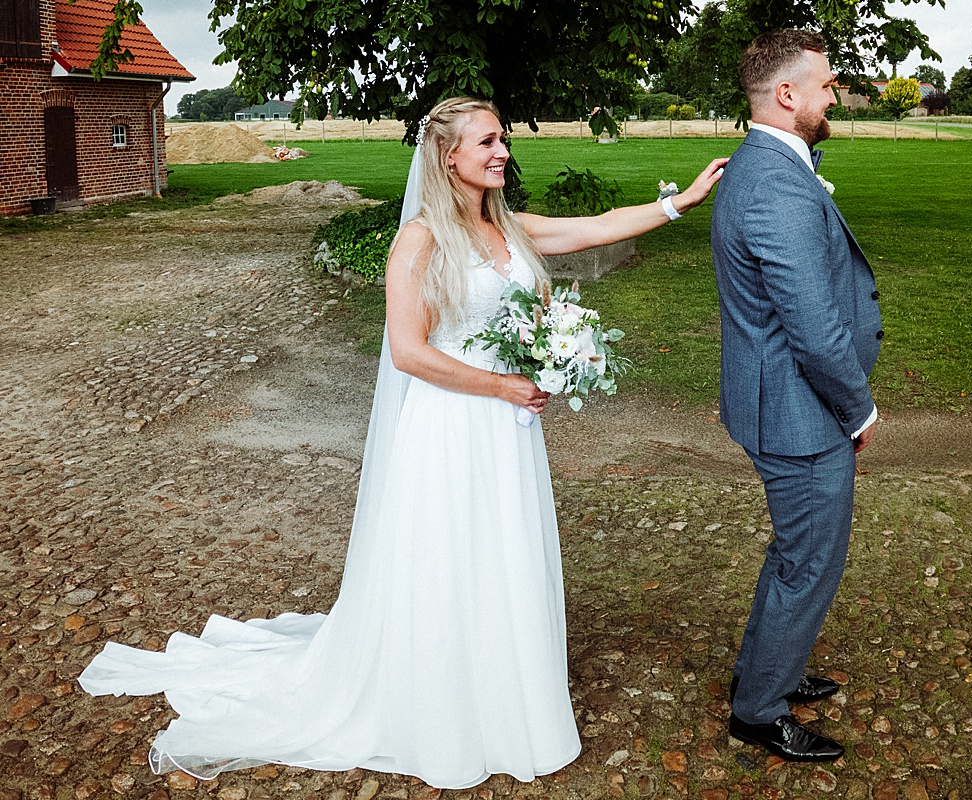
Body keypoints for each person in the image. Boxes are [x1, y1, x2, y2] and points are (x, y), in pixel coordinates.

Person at [78, 96, 726, 789]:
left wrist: (681, 202)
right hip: (449, 425)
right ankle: (440, 703)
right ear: (449, 158)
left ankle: (501, 688)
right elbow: (409, 353)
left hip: (507, 433)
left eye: (502, 139)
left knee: (500, 550)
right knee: (446, 557)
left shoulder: (510, 229)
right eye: (486, 142)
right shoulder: (419, 240)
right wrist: (502, 385)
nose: (502, 151)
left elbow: (596, 227)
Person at [710, 30, 883, 762]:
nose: (833, 93)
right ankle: (757, 709)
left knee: (795, 553)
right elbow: (812, 331)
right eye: (826, 83)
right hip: (798, 412)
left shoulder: (768, 165)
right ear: (787, 96)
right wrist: (860, 408)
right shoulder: (774, 184)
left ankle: (766, 670)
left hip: (779, 401)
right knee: (809, 561)